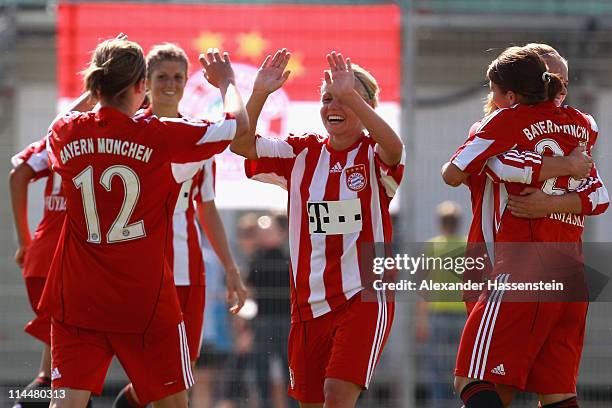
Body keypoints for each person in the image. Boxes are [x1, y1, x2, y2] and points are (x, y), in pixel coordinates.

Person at [41, 37, 248, 408]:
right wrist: (226, 81)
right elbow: (237, 124)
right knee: (173, 402)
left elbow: (58, 124)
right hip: (144, 299)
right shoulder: (163, 136)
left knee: (65, 403)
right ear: (142, 86)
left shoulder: (66, 132)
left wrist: (97, 93)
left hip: (78, 297)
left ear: (95, 85)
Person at [231, 48, 405, 408]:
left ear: (365, 104)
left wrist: (351, 96)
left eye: (344, 98)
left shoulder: (373, 154)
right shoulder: (301, 153)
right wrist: (261, 92)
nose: (333, 105)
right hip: (309, 306)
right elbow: (241, 144)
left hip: (364, 297)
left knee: (337, 397)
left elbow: (394, 147)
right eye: (327, 99)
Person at [442, 46, 608, 408]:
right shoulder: (577, 133)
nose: (556, 89)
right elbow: (596, 195)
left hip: (514, 269)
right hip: (564, 273)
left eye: (562, 82)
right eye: (550, 78)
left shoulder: (510, 127)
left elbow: (474, 170)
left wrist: (548, 201)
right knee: (556, 392)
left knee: (478, 379)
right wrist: (565, 167)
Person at [111, 42, 247, 408]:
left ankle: (126, 403)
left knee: (181, 370)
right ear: (145, 82)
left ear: (187, 82)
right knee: (163, 373)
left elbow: (207, 207)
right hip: (145, 272)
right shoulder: (128, 131)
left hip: (189, 270)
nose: (170, 84)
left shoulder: (198, 134)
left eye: (177, 77)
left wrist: (231, 267)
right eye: (161, 77)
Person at [414, 201, 468, 408]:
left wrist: (421, 322)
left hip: (438, 317)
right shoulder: (468, 245)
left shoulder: (431, 246)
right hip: (464, 318)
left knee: (437, 369)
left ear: (440, 223)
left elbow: (422, 289)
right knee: (463, 370)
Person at [247, 213, 292, 408]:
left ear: (281, 233)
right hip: (263, 322)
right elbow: (248, 292)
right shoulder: (255, 259)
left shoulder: (287, 258)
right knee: (261, 369)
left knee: (289, 370)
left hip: (286, 322)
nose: (264, 235)